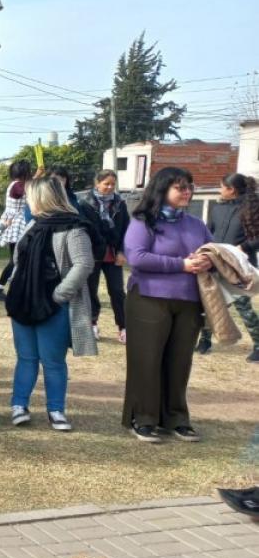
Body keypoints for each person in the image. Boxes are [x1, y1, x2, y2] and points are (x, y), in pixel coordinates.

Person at [123, 168, 213, 442]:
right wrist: (182, 264)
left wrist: (210, 261)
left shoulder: (196, 224)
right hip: (148, 299)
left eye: (189, 186)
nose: (187, 192)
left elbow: (213, 251)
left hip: (188, 302)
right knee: (146, 361)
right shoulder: (143, 222)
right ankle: (144, 419)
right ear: (162, 191)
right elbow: (136, 257)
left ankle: (177, 419)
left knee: (179, 362)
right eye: (180, 188)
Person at [5, 177, 96, 431]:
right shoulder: (33, 224)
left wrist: (59, 295)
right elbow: (18, 260)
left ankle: (56, 410)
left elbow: (84, 264)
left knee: (53, 361)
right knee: (25, 357)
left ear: (42, 197)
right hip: (24, 302)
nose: (27, 202)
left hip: (53, 306)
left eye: (30, 197)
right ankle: (19, 405)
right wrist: (14, 288)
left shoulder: (74, 228)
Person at [195, 173, 259, 361]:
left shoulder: (253, 209)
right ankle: (204, 341)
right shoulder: (217, 209)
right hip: (215, 264)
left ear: (231, 190)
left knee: (243, 308)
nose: (220, 190)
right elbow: (208, 233)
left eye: (222, 186)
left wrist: (243, 247)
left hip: (239, 267)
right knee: (210, 303)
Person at [78, 170, 130, 344]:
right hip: (93, 253)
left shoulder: (119, 203)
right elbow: (83, 229)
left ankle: (124, 327)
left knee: (117, 291)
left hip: (114, 253)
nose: (109, 187)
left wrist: (123, 251)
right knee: (90, 290)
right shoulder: (85, 203)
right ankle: (92, 323)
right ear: (97, 183)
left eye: (112, 184)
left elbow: (126, 229)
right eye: (106, 183)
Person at [0, 160, 34, 301]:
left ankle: (3, 288)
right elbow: (23, 191)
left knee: (19, 259)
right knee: (16, 259)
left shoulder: (19, 184)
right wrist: (36, 178)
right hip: (16, 224)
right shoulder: (16, 186)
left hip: (18, 222)